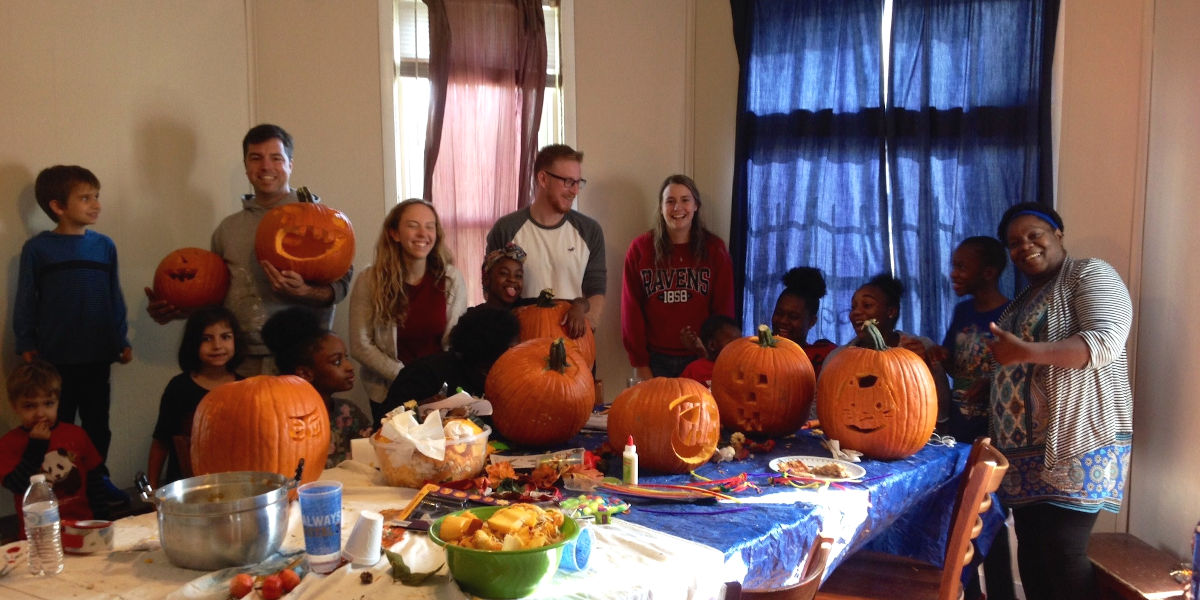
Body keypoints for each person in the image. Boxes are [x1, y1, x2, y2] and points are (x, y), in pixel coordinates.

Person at [986, 203, 1132, 600]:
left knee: (1064, 556)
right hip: (1023, 459)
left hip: (1076, 444)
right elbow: (1015, 364)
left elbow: (1105, 341)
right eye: (1014, 243)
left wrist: (1024, 354)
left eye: (1035, 235)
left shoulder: (1089, 273)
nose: (1025, 247)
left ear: (1058, 233)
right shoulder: (1020, 301)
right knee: (1034, 559)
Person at [146, 124, 353, 376]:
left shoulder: (323, 222)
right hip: (240, 358)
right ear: (246, 166)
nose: (265, 167)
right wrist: (180, 310)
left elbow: (340, 286)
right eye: (256, 158)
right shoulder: (228, 229)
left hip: (301, 358)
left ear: (290, 165)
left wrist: (306, 291)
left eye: (276, 158)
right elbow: (216, 294)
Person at [15, 165, 131, 502]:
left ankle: (96, 481)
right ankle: (62, 490)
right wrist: (26, 343)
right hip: (55, 357)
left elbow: (114, 297)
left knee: (97, 424)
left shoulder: (104, 246)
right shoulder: (38, 249)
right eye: (85, 198)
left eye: (96, 197)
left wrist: (121, 340)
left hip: (97, 353)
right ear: (58, 206)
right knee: (59, 425)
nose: (95, 204)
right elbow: (27, 298)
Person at [349, 199, 468, 423]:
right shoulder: (369, 280)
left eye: (430, 226)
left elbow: (455, 341)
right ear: (394, 233)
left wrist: (432, 378)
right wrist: (406, 377)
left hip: (439, 393)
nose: (423, 233)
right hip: (389, 391)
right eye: (413, 225)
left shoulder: (451, 279)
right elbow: (360, 344)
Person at [621, 174, 735, 379]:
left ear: (696, 205)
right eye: (670, 201)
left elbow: (724, 310)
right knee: (655, 411)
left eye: (685, 200)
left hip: (700, 356)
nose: (677, 208)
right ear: (661, 207)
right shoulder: (640, 249)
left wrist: (712, 356)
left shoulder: (714, 249)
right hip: (655, 359)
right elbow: (631, 312)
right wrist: (640, 363)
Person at [486, 144, 605, 339]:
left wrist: (585, 335)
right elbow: (492, 291)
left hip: (573, 344)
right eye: (568, 182)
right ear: (543, 178)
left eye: (578, 182)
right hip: (520, 344)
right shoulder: (506, 229)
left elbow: (596, 289)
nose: (575, 190)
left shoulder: (590, 231)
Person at [1, 360, 108, 536]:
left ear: (58, 402)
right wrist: (36, 446)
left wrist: (103, 521)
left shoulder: (76, 434)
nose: (40, 413)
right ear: (15, 406)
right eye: (30, 406)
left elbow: (95, 480)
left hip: (83, 527)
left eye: (48, 403)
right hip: (39, 534)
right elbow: (18, 485)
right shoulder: (8, 443)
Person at [146, 307, 245, 489]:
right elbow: (161, 441)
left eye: (225, 337)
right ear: (193, 343)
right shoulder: (179, 388)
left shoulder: (246, 388)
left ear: (236, 340)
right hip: (186, 487)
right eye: (206, 339)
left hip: (234, 486)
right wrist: (151, 487)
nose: (217, 346)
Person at [263, 307, 371, 469]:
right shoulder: (285, 422)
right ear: (305, 373)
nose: (349, 367)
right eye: (336, 362)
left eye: (346, 358)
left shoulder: (350, 414)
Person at [838, 274, 951, 416]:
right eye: (853, 307)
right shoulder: (840, 358)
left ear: (891, 311)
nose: (856, 312)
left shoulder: (918, 348)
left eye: (867, 305)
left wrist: (925, 367)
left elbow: (942, 408)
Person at [380, 305, 521, 419]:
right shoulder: (423, 375)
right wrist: (420, 412)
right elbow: (386, 424)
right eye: (510, 351)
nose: (515, 358)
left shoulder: (509, 380)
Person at [938, 236, 1011, 443]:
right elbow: (955, 368)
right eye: (953, 266)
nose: (953, 274)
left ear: (988, 273)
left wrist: (991, 384)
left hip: (995, 426)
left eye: (961, 267)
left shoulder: (1010, 314)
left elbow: (1019, 375)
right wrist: (940, 356)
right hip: (960, 423)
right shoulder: (963, 311)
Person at [770, 266, 837, 376]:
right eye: (779, 313)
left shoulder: (822, 357)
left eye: (793, 317)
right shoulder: (756, 350)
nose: (783, 321)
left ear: (812, 322)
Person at [679, 314, 741, 386]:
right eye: (732, 343)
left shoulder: (741, 369)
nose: (738, 346)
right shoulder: (694, 370)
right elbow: (682, 392)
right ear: (712, 345)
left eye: (740, 342)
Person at [481, 242, 527, 310]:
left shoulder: (531, 307)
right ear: (486, 279)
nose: (512, 279)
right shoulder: (472, 317)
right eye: (504, 273)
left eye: (518, 275)